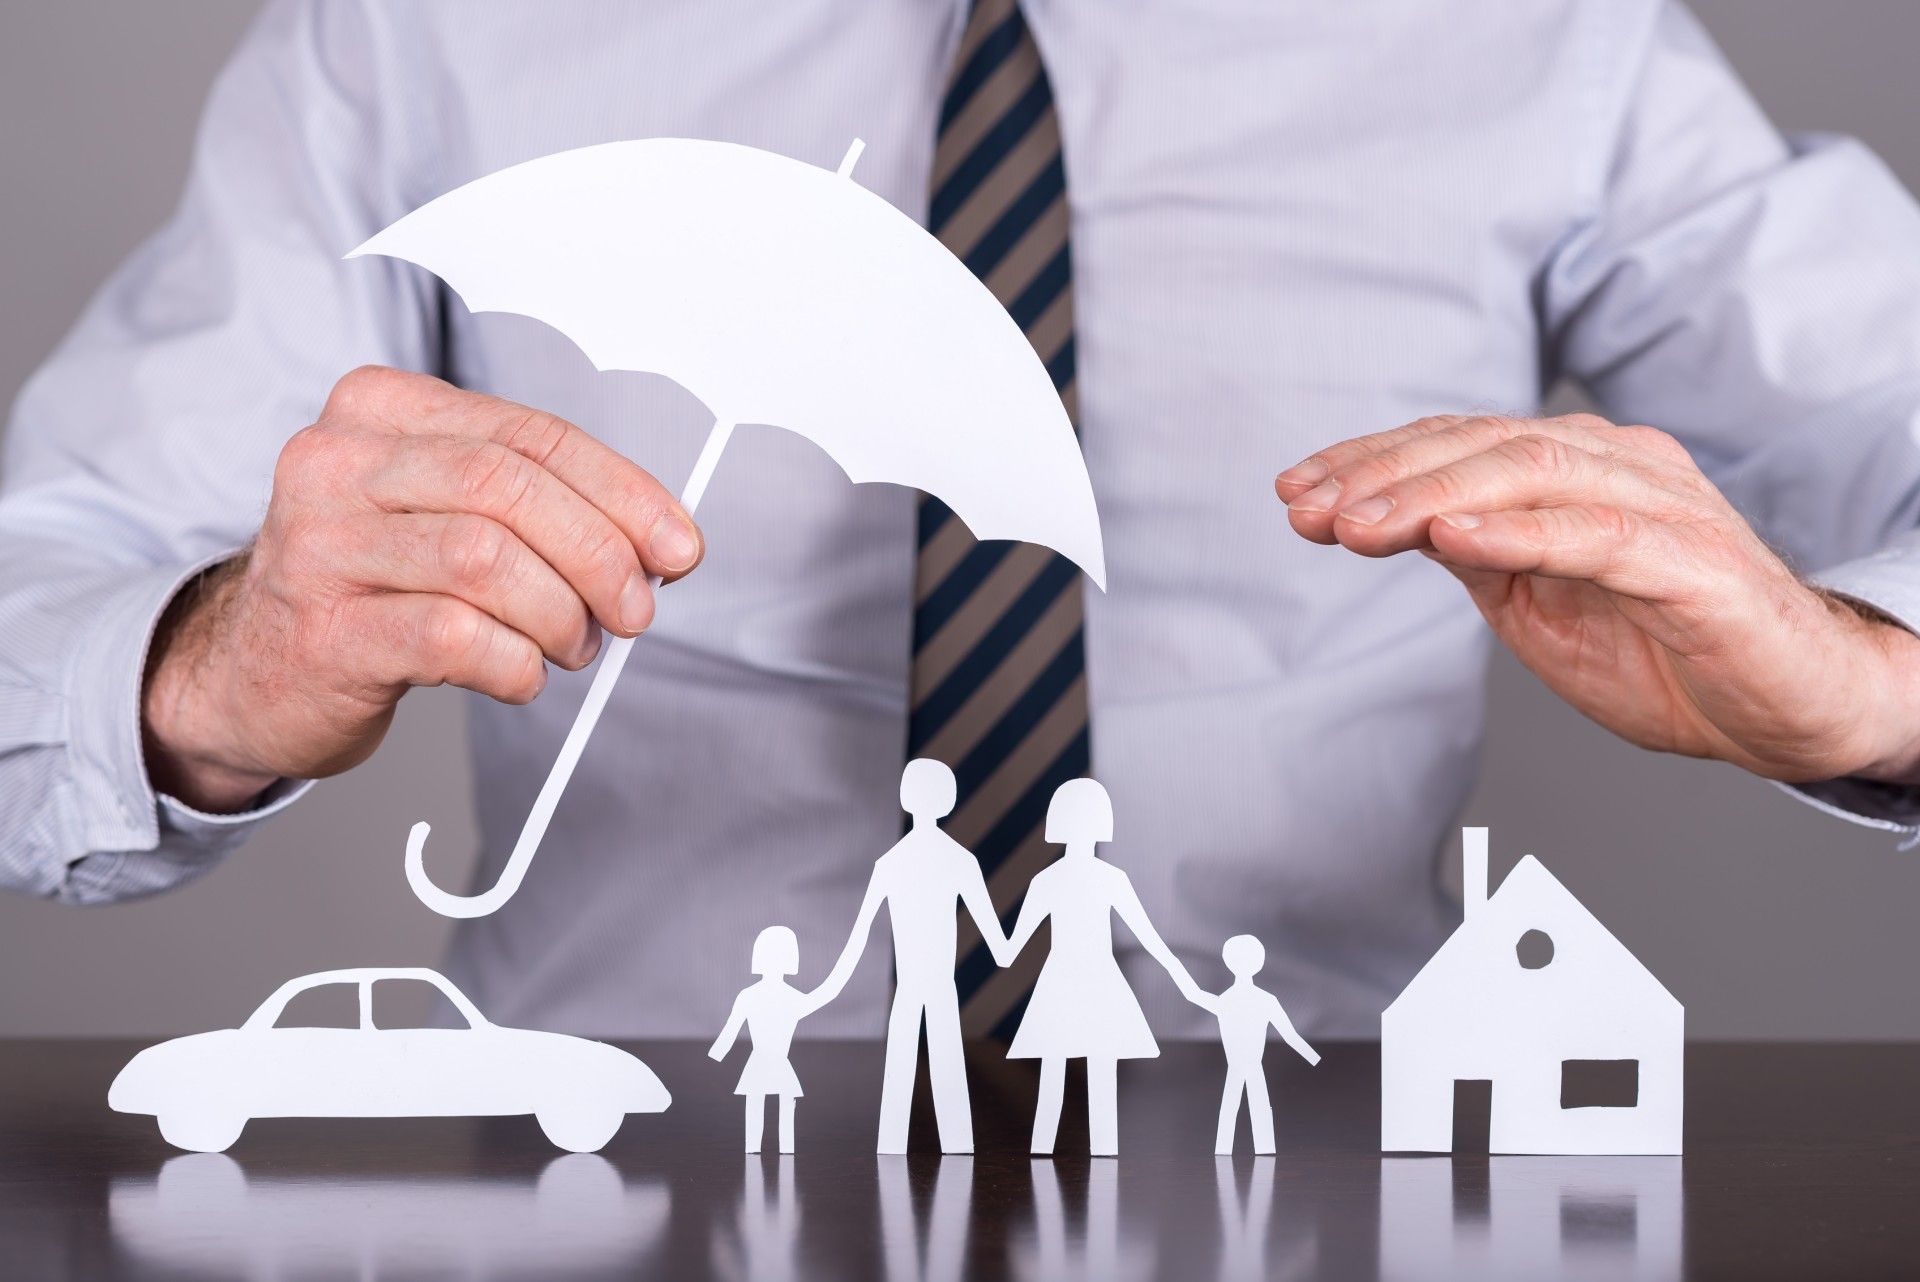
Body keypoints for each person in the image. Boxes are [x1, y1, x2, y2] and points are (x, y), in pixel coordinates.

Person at [7, 1, 1920, 1044]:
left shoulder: (1542, 40)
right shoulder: (419, 31)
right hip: (618, 1162)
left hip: (1319, 1160)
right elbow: (43, 589)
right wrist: (207, 667)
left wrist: (1869, 680)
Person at [810, 759, 1010, 1154]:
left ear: (906, 796)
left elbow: (857, 939)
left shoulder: (891, 864)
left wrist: (820, 993)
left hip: (913, 990)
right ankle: (953, 1144)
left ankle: (907, 1144)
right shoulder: (959, 861)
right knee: (943, 1068)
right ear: (948, 798)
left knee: (901, 1071)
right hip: (936, 989)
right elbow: (1000, 948)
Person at [1002, 779, 1201, 1156]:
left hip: (1074, 982)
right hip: (1086, 982)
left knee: (1057, 1072)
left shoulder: (1051, 880)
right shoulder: (1105, 879)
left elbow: (1010, 950)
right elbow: (1150, 938)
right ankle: (1086, 1147)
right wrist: (1183, 978)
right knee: (1094, 1072)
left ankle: (1051, 1147)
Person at [1186, 935, 1320, 1156]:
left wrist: (1315, 1059)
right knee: (1249, 1109)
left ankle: (1236, 1149)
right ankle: (1242, 1149)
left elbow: (1192, 993)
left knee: (1236, 1109)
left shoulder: (1228, 1001)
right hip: (1242, 1066)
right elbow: (1290, 1036)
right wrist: (1314, 1059)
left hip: (1245, 1066)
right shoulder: (1256, 1000)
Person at [708, 925, 833, 1154]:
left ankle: (780, 1147)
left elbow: (729, 1031)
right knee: (767, 1104)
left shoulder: (762, 996)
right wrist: (716, 1054)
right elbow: (730, 1030)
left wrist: (717, 1054)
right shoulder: (760, 996)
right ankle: (761, 1146)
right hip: (762, 1062)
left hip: (772, 1063)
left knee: (777, 1104)